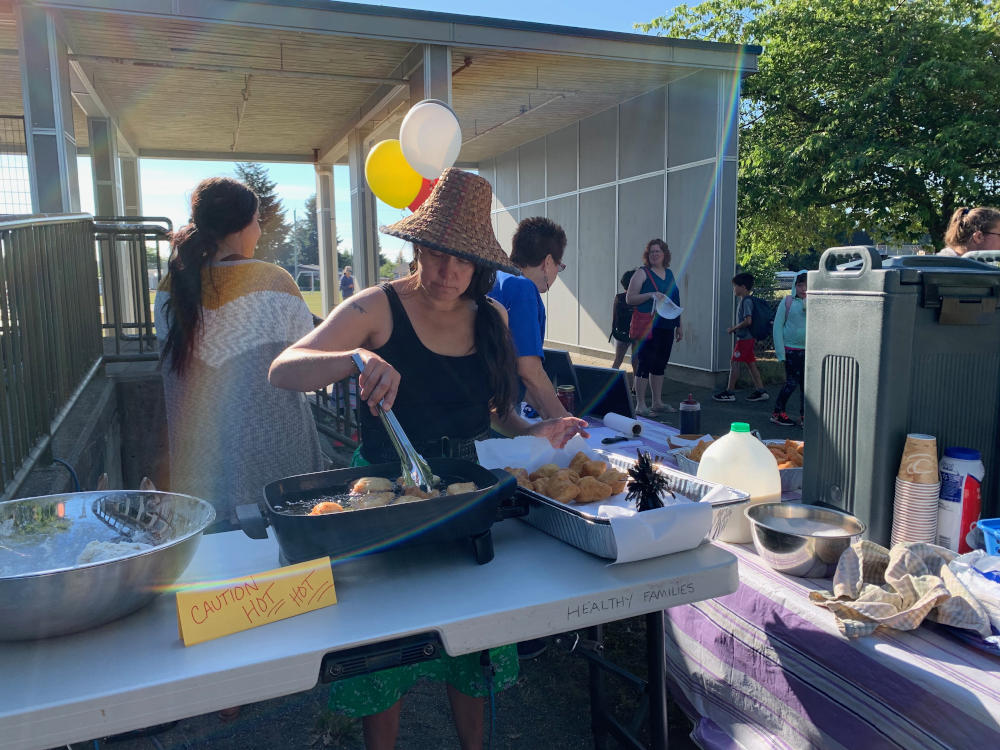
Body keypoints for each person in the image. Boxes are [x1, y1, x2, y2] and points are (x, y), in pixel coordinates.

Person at [268, 169, 588, 750]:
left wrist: (537, 428)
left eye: (462, 260)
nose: (447, 272)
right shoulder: (377, 307)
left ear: (479, 264)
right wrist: (356, 358)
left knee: (471, 640)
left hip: (465, 496)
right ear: (417, 247)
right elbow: (284, 369)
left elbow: (497, 412)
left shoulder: (492, 318)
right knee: (385, 648)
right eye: (437, 254)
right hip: (382, 494)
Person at [153, 177, 324, 532]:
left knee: (220, 562)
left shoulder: (171, 287)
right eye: (257, 221)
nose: (259, 231)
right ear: (242, 226)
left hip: (202, 472)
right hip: (277, 467)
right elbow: (306, 363)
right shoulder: (274, 282)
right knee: (288, 558)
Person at [487, 217, 572, 419]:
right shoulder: (522, 287)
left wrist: (546, 411)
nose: (556, 273)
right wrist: (565, 421)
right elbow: (529, 370)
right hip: (497, 413)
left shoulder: (495, 277)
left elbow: (512, 370)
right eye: (559, 266)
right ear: (548, 262)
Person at [625, 239, 683, 416]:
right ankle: (640, 405)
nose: (654, 254)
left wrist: (679, 325)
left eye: (658, 251)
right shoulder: (642, 273)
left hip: (667, 325)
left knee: (660, 364)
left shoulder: (669, 273)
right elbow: (629, 298)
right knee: (645, 363)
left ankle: (657, 402)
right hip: (648, 326)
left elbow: (675, 301)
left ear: (664, 254)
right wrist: (650, 294)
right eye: (651, 252)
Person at [713, 272, 768, 403]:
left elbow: (748, 321)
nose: (734, 289)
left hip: (745, 339)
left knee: (734, 363)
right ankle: (761, 391)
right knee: (751, 364)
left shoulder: (746, 301)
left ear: (743, 287)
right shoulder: (747, 300)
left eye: (735, 286)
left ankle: (730, 392)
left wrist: (734, 328)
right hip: (748, 338)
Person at [770, 270, 807, 427]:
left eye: (807, 285)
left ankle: (805, 416)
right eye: (800, 285)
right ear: (794, 286)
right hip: (791, 350)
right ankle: (778, 413)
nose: (804, 289)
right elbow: (777, 327)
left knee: (808, 387)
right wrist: (780, 352)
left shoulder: (816, 302)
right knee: (791, 383)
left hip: (811, 351)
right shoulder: (788, 301)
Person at [610, 270, 636, 371]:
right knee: (635, 361)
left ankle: (611, 376)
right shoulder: (640, 299)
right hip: (634, 333)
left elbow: (614, 318)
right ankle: (635, 382)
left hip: (622, 333)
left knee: (618, 360)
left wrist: (614, 331)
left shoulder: (619, 297)